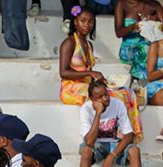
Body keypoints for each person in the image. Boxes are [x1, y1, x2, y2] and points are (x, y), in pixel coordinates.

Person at [59, 7, 142, 137]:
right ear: (75, 22)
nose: (87, 25)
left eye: (90, 22)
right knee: (111, 98)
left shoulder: (88, 44)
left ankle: (128, 135)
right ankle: (118, 135)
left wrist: (101, 82)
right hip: (71, 88)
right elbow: (63, 72)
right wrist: (90, 74)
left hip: (87, 86)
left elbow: (89, 74)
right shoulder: (69, 43)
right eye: (83, 21)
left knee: (127, 93)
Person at [79, 79, 143, 167]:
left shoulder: (117, 104)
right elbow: (89, 141)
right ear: (92, 99)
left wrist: (112, 156)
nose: (105, 98)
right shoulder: (86, 109)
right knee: (85, 151)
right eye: (100, 97)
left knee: (135, 151)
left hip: (115, 145)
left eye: (106, 94)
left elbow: (129, 135)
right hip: (96, 145)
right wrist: (98, 113)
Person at [114, 0, 163, 82]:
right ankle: (140, 85)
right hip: (129, 48)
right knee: (142, 53)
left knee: (150, 51)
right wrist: (132, 27)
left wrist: (155, 21)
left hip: (150, 46)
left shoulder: (155, 5)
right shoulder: (122, 4)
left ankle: (140, 87)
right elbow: (118, 33)